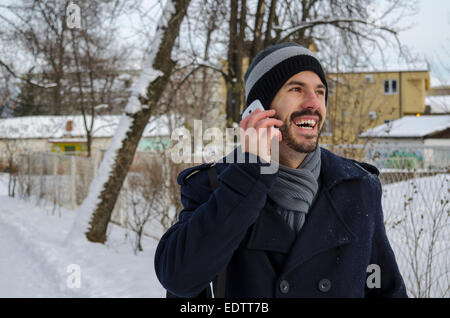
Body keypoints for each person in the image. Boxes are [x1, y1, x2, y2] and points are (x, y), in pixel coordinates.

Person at [155, 42, 408, 298]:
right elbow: (179, 279)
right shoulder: (213, 184)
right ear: (259, 109)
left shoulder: (358, 186)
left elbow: (383, 287)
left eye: (320, 92)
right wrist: (249, 172)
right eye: (296, 89)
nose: (313, 103)